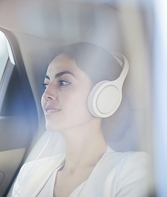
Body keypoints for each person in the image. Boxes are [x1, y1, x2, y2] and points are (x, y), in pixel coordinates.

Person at [12, 42, 150, 197]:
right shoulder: (29, 173)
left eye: (63, 82)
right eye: (46, 84)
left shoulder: (133, 170)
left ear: (103, 96)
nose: (46, 94)